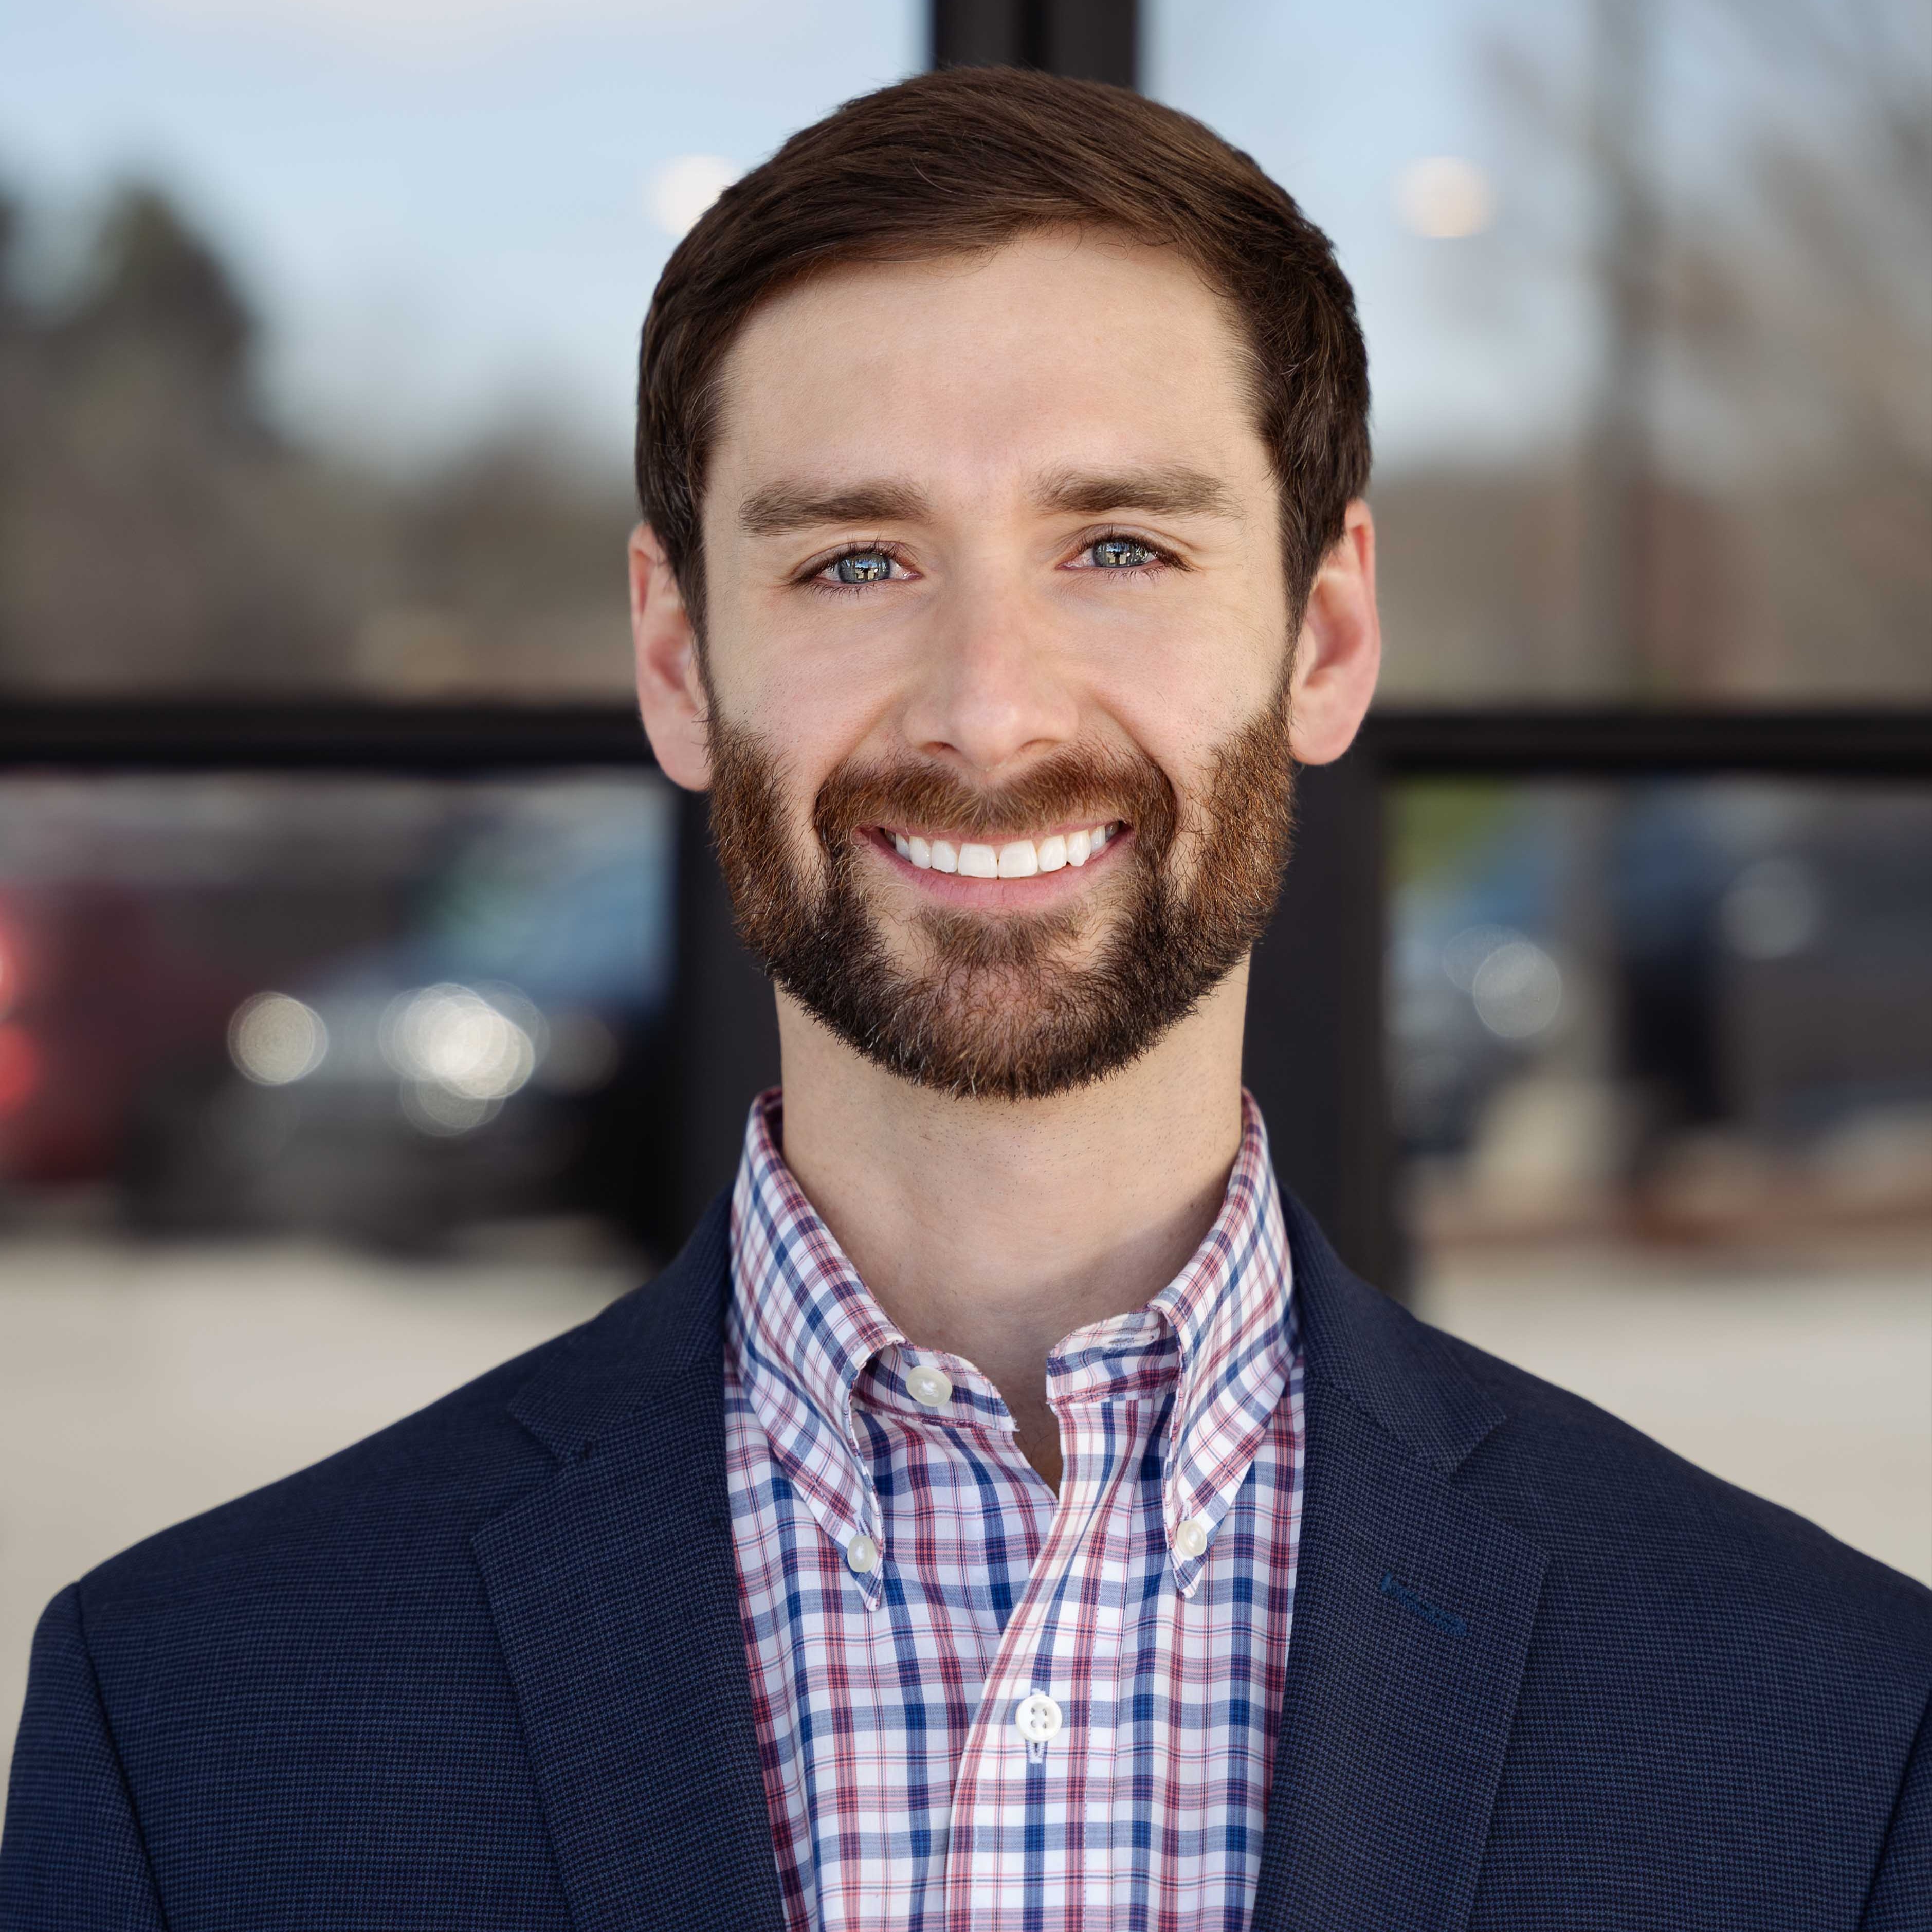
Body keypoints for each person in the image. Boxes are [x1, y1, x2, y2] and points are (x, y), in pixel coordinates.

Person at [2, 66, 1926, 1932]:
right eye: (855, 559)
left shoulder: (1834, 1729)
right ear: (680, 665)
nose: (987, 710)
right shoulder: (193, 1718)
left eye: (1117, 549)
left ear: (1324, 639)